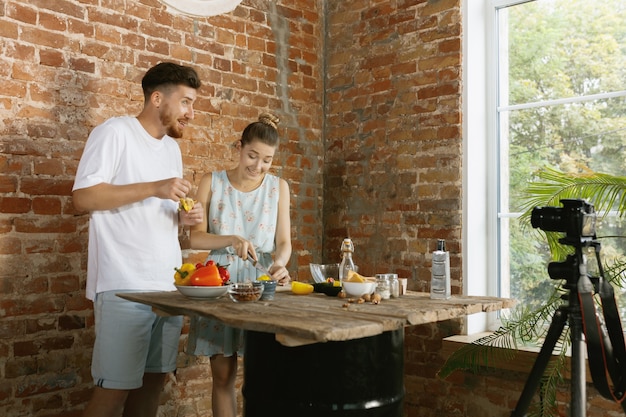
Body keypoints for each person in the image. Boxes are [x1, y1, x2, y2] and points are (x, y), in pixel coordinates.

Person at [72, 62, 204, 417]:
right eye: (186, 103)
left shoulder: (171, 151)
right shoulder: (115, 132)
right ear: (157, 98)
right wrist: (156, 188)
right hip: (123, 286)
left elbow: (153, 215)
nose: (191, 114)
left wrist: (183, 218)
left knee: (151, 389)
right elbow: (83, 197)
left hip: (168, 289)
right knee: (113, 394)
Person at [188, 112, 292, 417]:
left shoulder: (278, 188)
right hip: (217, 283)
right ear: (239, 147)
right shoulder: (212, 182)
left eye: (267, 160)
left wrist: (281, 264)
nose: (258, 166)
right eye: (252, 155)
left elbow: (283, 243)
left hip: (262, 285)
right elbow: (195, 239)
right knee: (223, 376)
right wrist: (230, 240)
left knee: (265, 373)